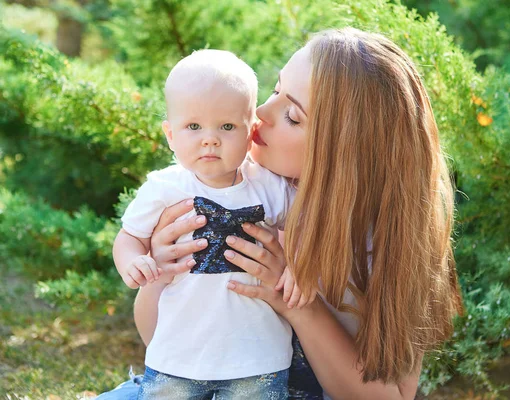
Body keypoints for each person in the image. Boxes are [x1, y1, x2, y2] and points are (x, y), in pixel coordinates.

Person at [97, 27, 462, 400]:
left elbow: (392, 396)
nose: (259, 115)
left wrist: (297, 304)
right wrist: (160, 274)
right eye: (274, 90)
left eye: (291, 115)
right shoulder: (223, 192)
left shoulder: (382, 241)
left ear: (344, 152)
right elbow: (158, 341)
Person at [112, 49, 309, 399]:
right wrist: (133, 261)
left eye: (227, 126)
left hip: (257, 356)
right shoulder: (164, 188)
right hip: (178, 354)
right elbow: (129, 236)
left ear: (251, 133)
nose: (210, 138)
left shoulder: (266, 186)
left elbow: (305, 225)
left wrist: (302, 265)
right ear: (170, 134)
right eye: (193, 126)